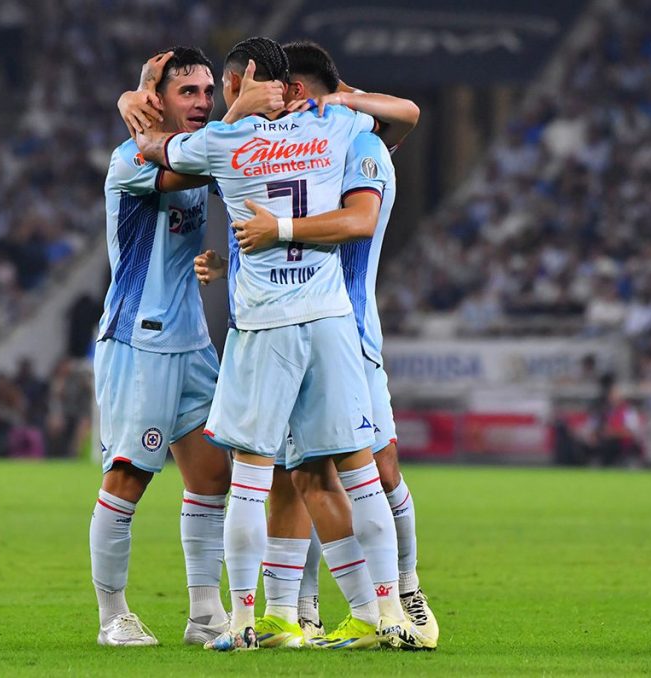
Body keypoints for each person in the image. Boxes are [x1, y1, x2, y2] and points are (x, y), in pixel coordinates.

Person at [134, 36, 421, 651]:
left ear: (237, 85)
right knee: (358, 473)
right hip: (332, 321)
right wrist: (340, 97)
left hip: (264, 327)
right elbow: (406, 113)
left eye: (222, 88)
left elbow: (151, 148)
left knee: (253, 477)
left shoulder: (223, 143)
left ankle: (240, 621)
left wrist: (138, 96)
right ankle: (388, 613)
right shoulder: (339, 125)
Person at [89, 46, 276, 648]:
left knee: (212, 476)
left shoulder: (201, 153)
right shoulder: (130, 159)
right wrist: (238, 113)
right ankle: (112, 615)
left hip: (193, 341)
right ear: (157, 99)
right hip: (138, 341)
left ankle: (203, 616)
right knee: (128, 478)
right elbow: (192, 170)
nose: (200, 103)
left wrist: (216, 261)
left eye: (206, 92)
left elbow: (228, 177)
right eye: (186, 93)